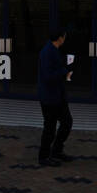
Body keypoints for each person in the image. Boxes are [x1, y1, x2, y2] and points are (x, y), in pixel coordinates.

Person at [37, 28, 73, 167]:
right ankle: (44, 157)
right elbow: (47, 76)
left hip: (58, 95)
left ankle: (57, 150)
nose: (65, 39)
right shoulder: (47, 52)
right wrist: (64, 72)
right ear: (60, 38)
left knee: (67, 122)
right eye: (64, 37)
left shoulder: (54, 50)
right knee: (50, 127)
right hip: (49, 97)